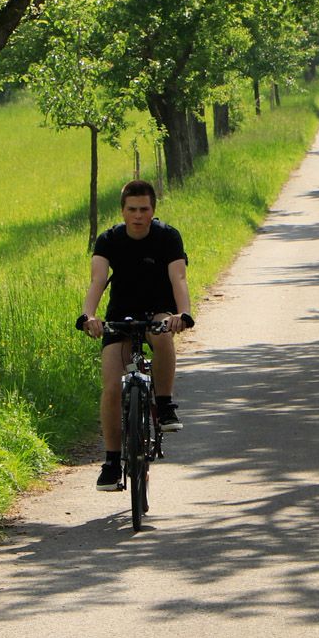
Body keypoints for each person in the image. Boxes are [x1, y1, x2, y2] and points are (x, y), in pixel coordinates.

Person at [78, 178, 194, 491]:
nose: (138, 215)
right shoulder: (109, 240)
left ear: (153, 210)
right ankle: (112, 461)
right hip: (119, 318)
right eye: (132, 209)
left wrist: (182, 313)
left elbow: (178, 278)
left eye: (144, 209)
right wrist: (89, 315)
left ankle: (165, 404)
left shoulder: (168, 237)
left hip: (158, 310)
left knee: (161, 336)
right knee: (112, 387)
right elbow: (97, 281)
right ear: (123, 211)